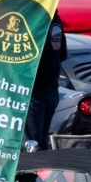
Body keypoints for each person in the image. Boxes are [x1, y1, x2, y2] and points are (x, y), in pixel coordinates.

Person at [24, 14, 66, 150]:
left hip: (35, 92)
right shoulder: (55, 19)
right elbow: (62, 54)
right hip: (51, 89)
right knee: (40, 143)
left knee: (32, 145)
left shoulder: (33, 19)